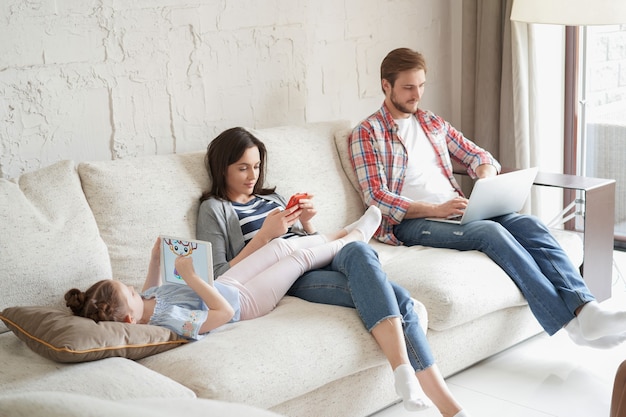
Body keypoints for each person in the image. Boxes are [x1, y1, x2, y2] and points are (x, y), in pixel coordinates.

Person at [348, 46, 626, 350]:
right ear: (386, 86)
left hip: (456, 211)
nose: (417, 94)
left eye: (422, 85)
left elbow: (478, 155)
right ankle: (571, 325)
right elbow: (377, 197)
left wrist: (484, 178)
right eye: (409, 88)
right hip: (413, 222)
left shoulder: (431, 122)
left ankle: (587, 310)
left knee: (530, 225)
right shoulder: (368, 132)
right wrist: (436, 209)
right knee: (489, 232)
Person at [196, 126, 472, 417]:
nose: (252, 176)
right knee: (400, 298)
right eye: (242, 169)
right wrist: (264, 237)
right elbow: (218, 276)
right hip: (287, 275)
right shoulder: (214, 209)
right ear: (222, 168)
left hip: (316, 252)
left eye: (256, 166)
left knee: (358, 251)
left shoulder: (272, 199)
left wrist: (308, 223)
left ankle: (411, 379)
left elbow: (307, 237)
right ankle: (448, 407)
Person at [64, 207, 381, 340]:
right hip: (245, 303)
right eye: (130, 293)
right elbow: (223, 312)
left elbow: (150, 290)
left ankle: (341, 232)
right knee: (298, 260)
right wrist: (191, 278)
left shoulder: (146, 302)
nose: (136, 290)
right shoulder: (171, 321)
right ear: (131, 321)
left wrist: (155, 258)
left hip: (227, 283)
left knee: (280, 247)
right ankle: (356, 239)